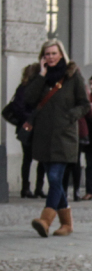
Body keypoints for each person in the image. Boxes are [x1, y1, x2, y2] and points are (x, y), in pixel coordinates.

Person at [20, 39, 89, 236]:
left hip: (64, 135)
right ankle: (67, 224)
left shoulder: (72, 76)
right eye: (47, 54)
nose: (50, 57)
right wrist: (41, 75)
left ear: (61, 54)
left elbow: (84, 104)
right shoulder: (38, 75)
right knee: (55, 181)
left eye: (53, 53)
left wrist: (70, 116)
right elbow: (29, 99)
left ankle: (45, 219)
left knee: (54, 177)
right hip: (43, 136)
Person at [8, 61, 46, 198]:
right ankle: (28, 188)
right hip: (27, 127)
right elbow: (19, 108)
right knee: (29, 158)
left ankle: (36, 188)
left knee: (37, 158)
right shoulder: (24, 88)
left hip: (35, 126)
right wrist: (31, 119)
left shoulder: (34, 88)